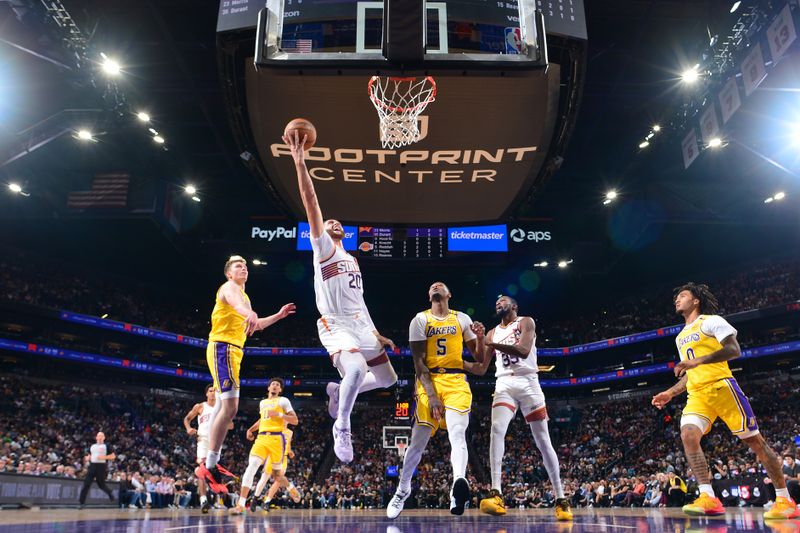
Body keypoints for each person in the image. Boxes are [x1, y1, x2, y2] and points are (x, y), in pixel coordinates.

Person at [284, 131, 398, 463]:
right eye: (327, 221)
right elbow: (311, 202)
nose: (331, 221)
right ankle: (343, 424)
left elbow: (360, 300)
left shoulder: (353, 260)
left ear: (345, 232)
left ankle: (339, 390)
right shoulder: (323, 249)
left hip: (361, 325)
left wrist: (375, 332)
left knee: (389, 379)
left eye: (337, 222)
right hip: (335, 325)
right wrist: (300, 162)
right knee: (359, 368)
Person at [652, 282, 799, 519]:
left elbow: (734, 350)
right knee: (688, 435)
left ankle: (784, 498)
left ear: (696, 300)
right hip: (697, 394)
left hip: (722, 387)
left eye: (682, 296)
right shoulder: (680, 337)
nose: (677, 300)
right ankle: (708, 496)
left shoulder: (711, 321)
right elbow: (689, 372)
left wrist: (698, 361)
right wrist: (671, 392)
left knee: (756, 443)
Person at [465, 295, 572, 520]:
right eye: (496, 302)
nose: (498, 303)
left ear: (514, 306)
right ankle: (496, 492)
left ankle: (561, 498)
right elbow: (481, 368)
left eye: (503, 301)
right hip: (504, 382)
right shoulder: (492, 332)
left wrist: (490, 343)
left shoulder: (526, 322)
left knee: (543, 440)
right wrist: (474, 344)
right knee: (496, 429)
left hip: (528, 381)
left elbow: (523, 350)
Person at [195, 255, 296, 493]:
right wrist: (247, 312)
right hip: (223, 348)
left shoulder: (245, 297)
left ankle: (210, 464)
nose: (244, 269)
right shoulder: (229, 288)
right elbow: (239, 308)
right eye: (239, 266)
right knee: (230, 408)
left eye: (246, 266)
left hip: (232, 351)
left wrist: (278, 316)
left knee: (222, 406)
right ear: (229, 273)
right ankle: (210, 465)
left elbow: (256, 325)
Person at [386, 281, 484, 519]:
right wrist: (431, 395)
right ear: (429, 295)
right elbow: (418, 363)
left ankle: (457, 484)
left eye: (440, 285)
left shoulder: (461, 319)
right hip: (429, 381)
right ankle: (402, 489)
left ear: (449, 294)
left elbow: (479, 358)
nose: (435, 286)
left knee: (458, 433)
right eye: (431, 286)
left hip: (456, 381)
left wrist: (480, 338)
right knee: (417, 442)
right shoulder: (420, 320)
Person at [232, 378, 300, 514]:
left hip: (277, 440)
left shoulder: (283, 401)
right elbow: (262, 419)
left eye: (278, 385)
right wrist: (251, 429)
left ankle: (290, 487)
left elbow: (295, 420)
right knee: (251, 467)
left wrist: (280, 414)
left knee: (276, 476)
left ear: (280, 390)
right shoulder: (263, 403)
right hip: (262, 438)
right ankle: (241, 504)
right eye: (273, 384)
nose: (275, 386)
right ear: (268, 388)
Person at [183, 384, 226, 513]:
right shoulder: (200, 406)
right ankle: (203, 500)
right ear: (206, 393)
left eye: (214, 391)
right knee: (201, 468)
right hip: (203, 440)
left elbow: (230, 425)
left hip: (216, 441)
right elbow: (187, 419)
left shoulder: (221, 407)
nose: (213, 393)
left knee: (212, 470)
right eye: (210, 391)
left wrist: (226, 424)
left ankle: (217, 497)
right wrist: (189, 428)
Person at [250, 427, 299, 512]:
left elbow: (288, 445)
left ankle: (267, 502)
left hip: (283, 458)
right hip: (272, 456)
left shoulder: (290, 432)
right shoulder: (274, 428)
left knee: (279, 480)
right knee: (264, 478)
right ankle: (255, 499)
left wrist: (290, 452)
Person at [78, 431, 116, 507]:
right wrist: (87, 458)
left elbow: (113, 456)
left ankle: (109, 493)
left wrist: (103, 457)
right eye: (98, 436)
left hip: (101, 466)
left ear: (104, 438)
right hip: (92, 465)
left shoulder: (107, 445)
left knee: (101, 484)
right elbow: (88, 455)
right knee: (86, 483)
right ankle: (81, 503)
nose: (100, 437)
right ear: (96, 437)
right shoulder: (92, 446)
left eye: (101, 436)